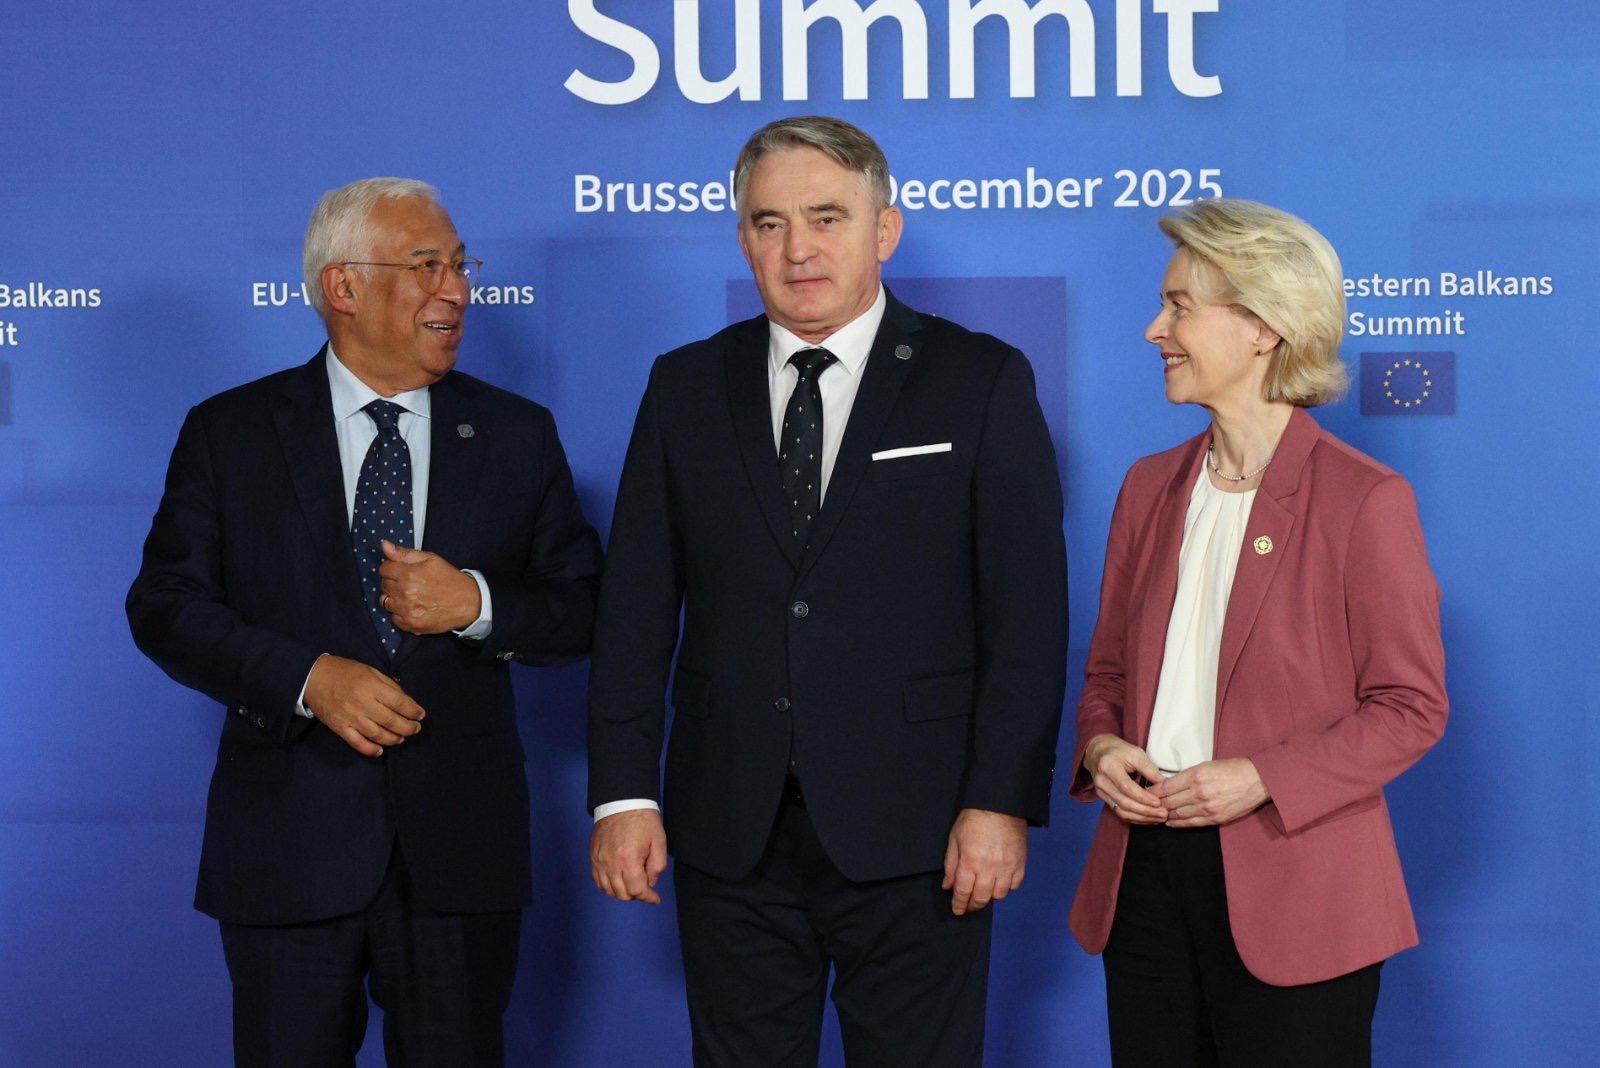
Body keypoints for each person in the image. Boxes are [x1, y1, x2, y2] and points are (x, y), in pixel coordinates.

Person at [586, 115, 1067, 1066]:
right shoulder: (685, 386)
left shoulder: (977, 378)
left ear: (885, 230)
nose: (797, 249)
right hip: (730, 831)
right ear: (742, 239)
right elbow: (634, 610)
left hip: (923, 833)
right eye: (769, 223)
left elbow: (1027, 618)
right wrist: (622, 797)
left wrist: (1000, 802)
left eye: (826, 217)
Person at [126, 177, 602, 1066]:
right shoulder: (231, 433)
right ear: (342, 287)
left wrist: (478, 605)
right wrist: (308, 679)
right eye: (427, 266)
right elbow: (165, 607)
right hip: (287, 851)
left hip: (459, 857)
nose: (456, 290)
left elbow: (583, 611)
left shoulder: (516, 434)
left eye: (459, 266)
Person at [1069, 198, 1448, 1065]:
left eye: (1179, 306)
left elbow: (1410, 708)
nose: (1154, 329)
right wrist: (1101, 748)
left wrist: (1261, 778)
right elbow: (1106, 676)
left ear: (1263, 327)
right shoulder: (1148, 488)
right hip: (1144, 883)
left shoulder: (1364, 500)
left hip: (1299, 888)